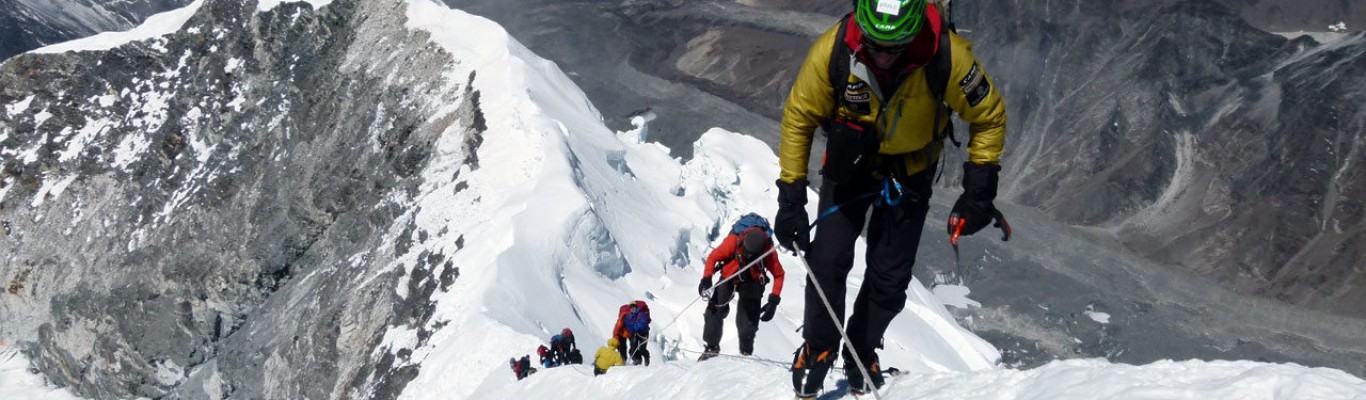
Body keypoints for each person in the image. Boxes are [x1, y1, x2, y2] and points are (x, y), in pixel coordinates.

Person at [772, 0, 1009, 398]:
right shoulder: (835, 50)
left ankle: (861, 350)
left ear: (914, 34)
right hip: (850, 168)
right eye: (874, 45)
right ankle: (819, 345)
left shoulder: (945, 54)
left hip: (911, 171)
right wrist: (791, 196)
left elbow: (988, 113)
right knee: (827, 260)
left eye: (893, 48)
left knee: (890, 275)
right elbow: (800, 116)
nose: (882, 56)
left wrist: (980, 189)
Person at [697, 224, 785, 360]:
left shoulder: (768, 251)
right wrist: (706, 278)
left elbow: (779, 274)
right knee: (715, 310)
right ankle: (711, 347)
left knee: (748, 320)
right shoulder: (733, 241)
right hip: (730, 276)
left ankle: (746, 351)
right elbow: (713, 257)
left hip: (753, 282)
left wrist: (774, 300)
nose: (747, 256)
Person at [612, 300, 651, 366]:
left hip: (643, 334)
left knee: (642, 349)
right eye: (631, 307)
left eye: (634, 307)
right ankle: (637, 360)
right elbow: (629, 326)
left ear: (636, 307)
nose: (632, 308)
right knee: (632, 350)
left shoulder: (641, 314)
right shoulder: (628, 317)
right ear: (629, 308)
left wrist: (634, 327)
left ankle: (646, 357)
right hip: (633, 333)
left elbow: (643, 324)